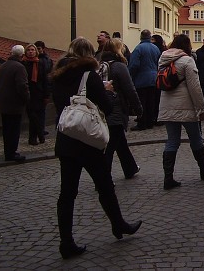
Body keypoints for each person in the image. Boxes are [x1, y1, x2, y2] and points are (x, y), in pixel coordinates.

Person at [52, 38, 141, 259]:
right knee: (105, 185)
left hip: (66, 138)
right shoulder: (88, 75)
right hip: (88, 140)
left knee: (67, 193)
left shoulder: (57, 76)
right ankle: (118, 224)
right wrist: (109, 91)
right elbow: (108, 106)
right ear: (89, 54)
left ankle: (66, 242)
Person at [157, 34, 204, 189]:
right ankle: (203, 169)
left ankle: (167, 178)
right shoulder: (187, 60)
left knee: (172, 141)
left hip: (167, 106)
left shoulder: (163, 59)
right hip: (186, 107)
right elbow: (195, 88)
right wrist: (201, 109)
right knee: (196, 139)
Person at [99, 39, 143, 179]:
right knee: (111, 145)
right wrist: (138, 108)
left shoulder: (100, 65)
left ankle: (130, 168)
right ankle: (103, 177)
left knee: (120, 142)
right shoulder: (119, 66)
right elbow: (130, 89)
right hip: (116, 109)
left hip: (104, 108)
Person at [0, 45, 30, 162]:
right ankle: (12, 153)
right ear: (22, 55)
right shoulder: (19, 67)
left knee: (7, 129)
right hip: (15, 104)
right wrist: (27, 98)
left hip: (3, 103)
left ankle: (8, 152)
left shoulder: (3, 66)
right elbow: (22, 86)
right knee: (14, 130)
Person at [128, 29, 161, 130]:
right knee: (151, 101)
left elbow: (134, 65)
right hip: (154, 77)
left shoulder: (138, 48)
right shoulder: (155, 48)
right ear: (150, 37)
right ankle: (150, 121)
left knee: (142, 101)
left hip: (142, 78)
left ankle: (142, 122)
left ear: (141, 37)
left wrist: (131, 76)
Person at [22, 44, 50, 145]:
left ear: (36, 52)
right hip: (28, 93)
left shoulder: (40, 63)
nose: (30, 51)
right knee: (32, 116)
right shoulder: (23, 63)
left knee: (36, 116)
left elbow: (45, 80)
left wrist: (46, 95)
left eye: (32, 50)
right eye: (28, 50)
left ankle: (33, 138)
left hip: (38, 93)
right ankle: (39, 135)